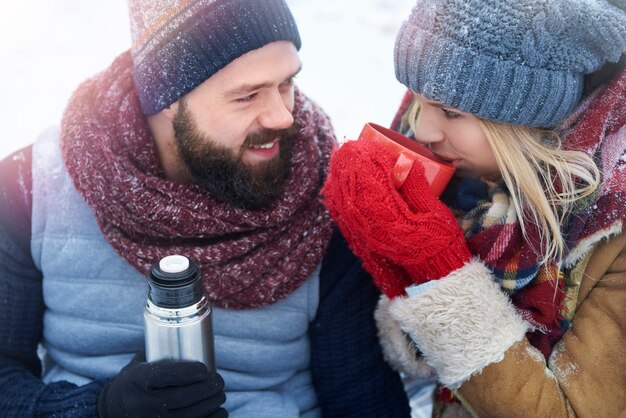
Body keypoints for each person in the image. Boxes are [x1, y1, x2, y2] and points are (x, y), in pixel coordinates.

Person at [0, 0, 412, 416]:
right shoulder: (30, 190)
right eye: (247, 96)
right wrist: (99, 409)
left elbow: (363, 402)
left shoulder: (325, 200)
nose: (282, 116)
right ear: (166, 98)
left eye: (286, 83)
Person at [322, 0, 626, 417]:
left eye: (450, 112)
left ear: (526, 119)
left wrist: (440, 275)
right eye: (419, 100)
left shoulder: (611, 225)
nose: (424, 130)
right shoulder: (463, 181)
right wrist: (384, 253)